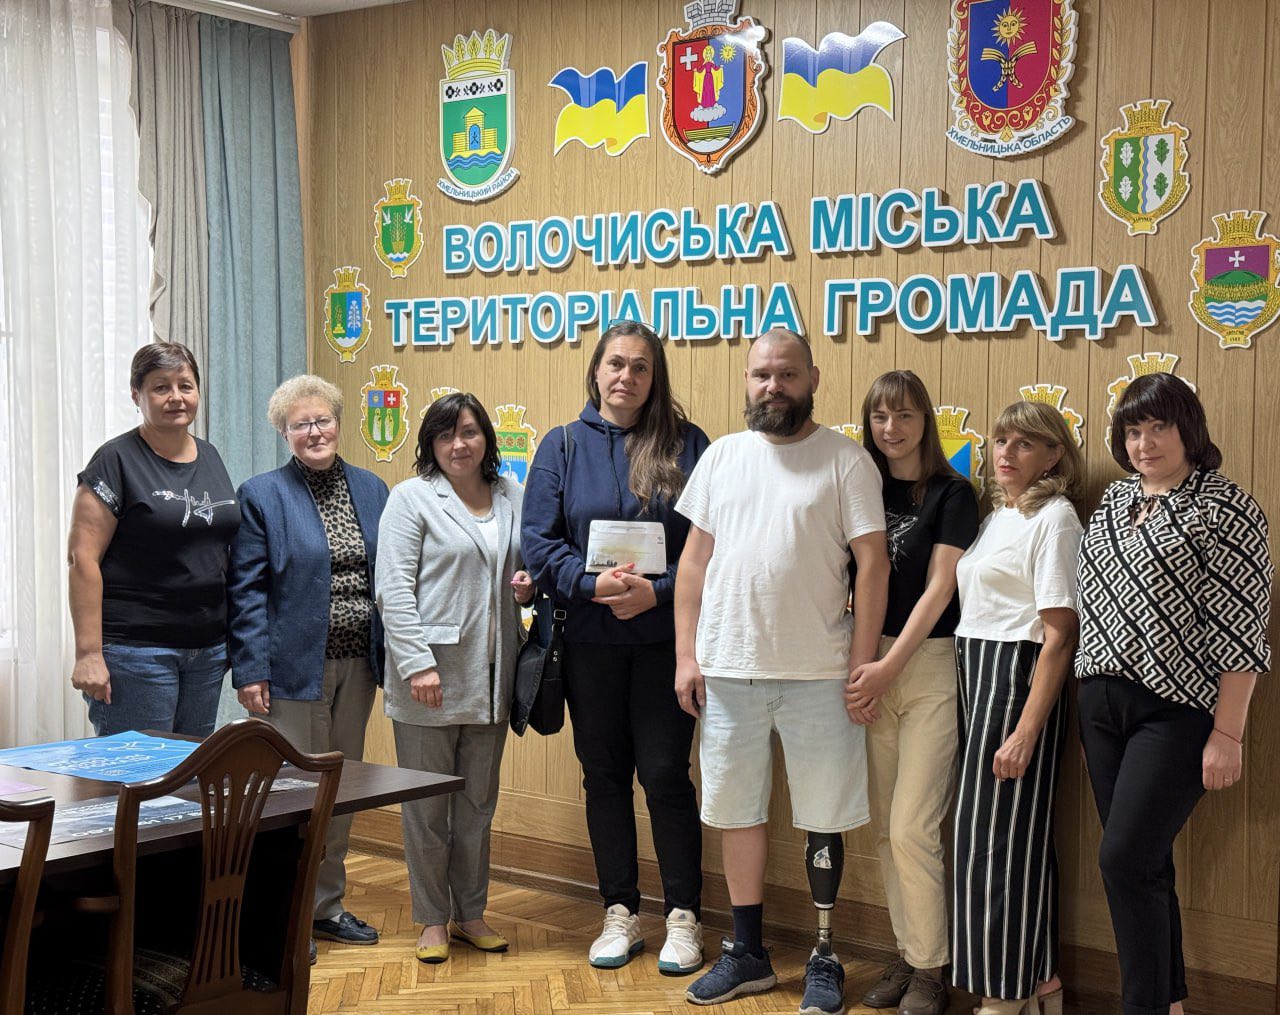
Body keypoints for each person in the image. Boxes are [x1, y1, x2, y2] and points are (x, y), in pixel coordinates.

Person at [674, 329, 889, 1013]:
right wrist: (686, 654)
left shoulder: (847, 461)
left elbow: (874, 565)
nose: (773, 386)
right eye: (762, 374)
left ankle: (824, 953)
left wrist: (862, 662)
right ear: (747, 380)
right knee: (736, 812)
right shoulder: (722, 456)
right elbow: (693, 565)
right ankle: (748, 953)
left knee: (824, 813)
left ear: (813, 378)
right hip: (728, 668)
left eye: (787, 374)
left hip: (820, 673)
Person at [1075, 373, 1271, 1015]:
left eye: (1159, 427)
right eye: (1133, 431)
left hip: (1176, 712)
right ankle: (1170, 1004)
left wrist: (1228, 733)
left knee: (1124, 860)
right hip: (1100, 705)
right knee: (1146, 865)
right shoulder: (1115, 501)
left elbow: (1242, 627)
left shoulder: (1225, 506)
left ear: (1188, 428)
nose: (1145, 443)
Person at [521, 320, 709, 975]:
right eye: (616, 364)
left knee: (665, 775)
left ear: (655, 378)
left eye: (640, 367)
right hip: (590, 643)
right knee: (603, 777)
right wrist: (591, 584)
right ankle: (620, 911)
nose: (626, 376)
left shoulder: (687, 444)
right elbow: (539, 542)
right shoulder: (561, 445)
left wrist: (656, 593)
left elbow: (709, 543)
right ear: (597, 371)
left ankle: (683, 916)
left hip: (664, 643)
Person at [227, 374, 388, 950]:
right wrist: (250, 668)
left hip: (359, 665)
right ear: (284, 433)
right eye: (301, 424)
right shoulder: (261, 494)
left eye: (323, 420)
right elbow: (246, 589)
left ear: (339, 423)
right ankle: (283, 915)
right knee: (293, 793)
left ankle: (325, 906)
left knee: (339, 788)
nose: (315, 431)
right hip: (291, 670)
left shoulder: (373, 489)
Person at [376, 392, 534, 964]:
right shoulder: (411, 498)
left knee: (476, 808)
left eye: (468, 432)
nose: (458, 444)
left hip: (492, 678)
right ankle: (430, 919)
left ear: (486, 437)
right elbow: (393, 588)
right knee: (426, 810)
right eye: (445, 435)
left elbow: (526, 570)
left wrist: (528, 588)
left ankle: (470, 913)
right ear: (431, 445)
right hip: (429, 679)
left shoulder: (513, 494)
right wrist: (416, 663)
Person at [846, 372, 978, 1015]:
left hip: (926, 665)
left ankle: (932, 969)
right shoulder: (861, 486)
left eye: (904, 416)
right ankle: (909, 953)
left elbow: (940, 588)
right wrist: (861, 666)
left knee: (913, 828)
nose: (891, 429)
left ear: (925, 420)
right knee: (884, 832)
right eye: (879, 417)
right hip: (870, 661)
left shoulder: (954, 492)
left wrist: (885, 667)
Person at [951, 401, 1083, 1015]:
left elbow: (1059, 637)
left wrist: (1026, 731)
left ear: (1054, 455)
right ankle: (1041, 981)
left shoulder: (1056, 519)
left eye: (1025, 443)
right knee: (1005, 839)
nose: (1006, 452)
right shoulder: (998, 515)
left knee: (996, 847)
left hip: (1016, 680)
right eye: (1001, 440)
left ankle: (1002, 996)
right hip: (975, 674)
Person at [68, 342, 240, 737]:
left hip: (207, 651)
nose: (176, 397)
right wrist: (88, 653)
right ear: (136, 395)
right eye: (161, 387)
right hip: (137, 652)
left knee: (192, 768)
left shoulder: (210, 455)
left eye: (185, 385)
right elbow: (81, 558)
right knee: (141, 770)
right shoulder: (115, 460)